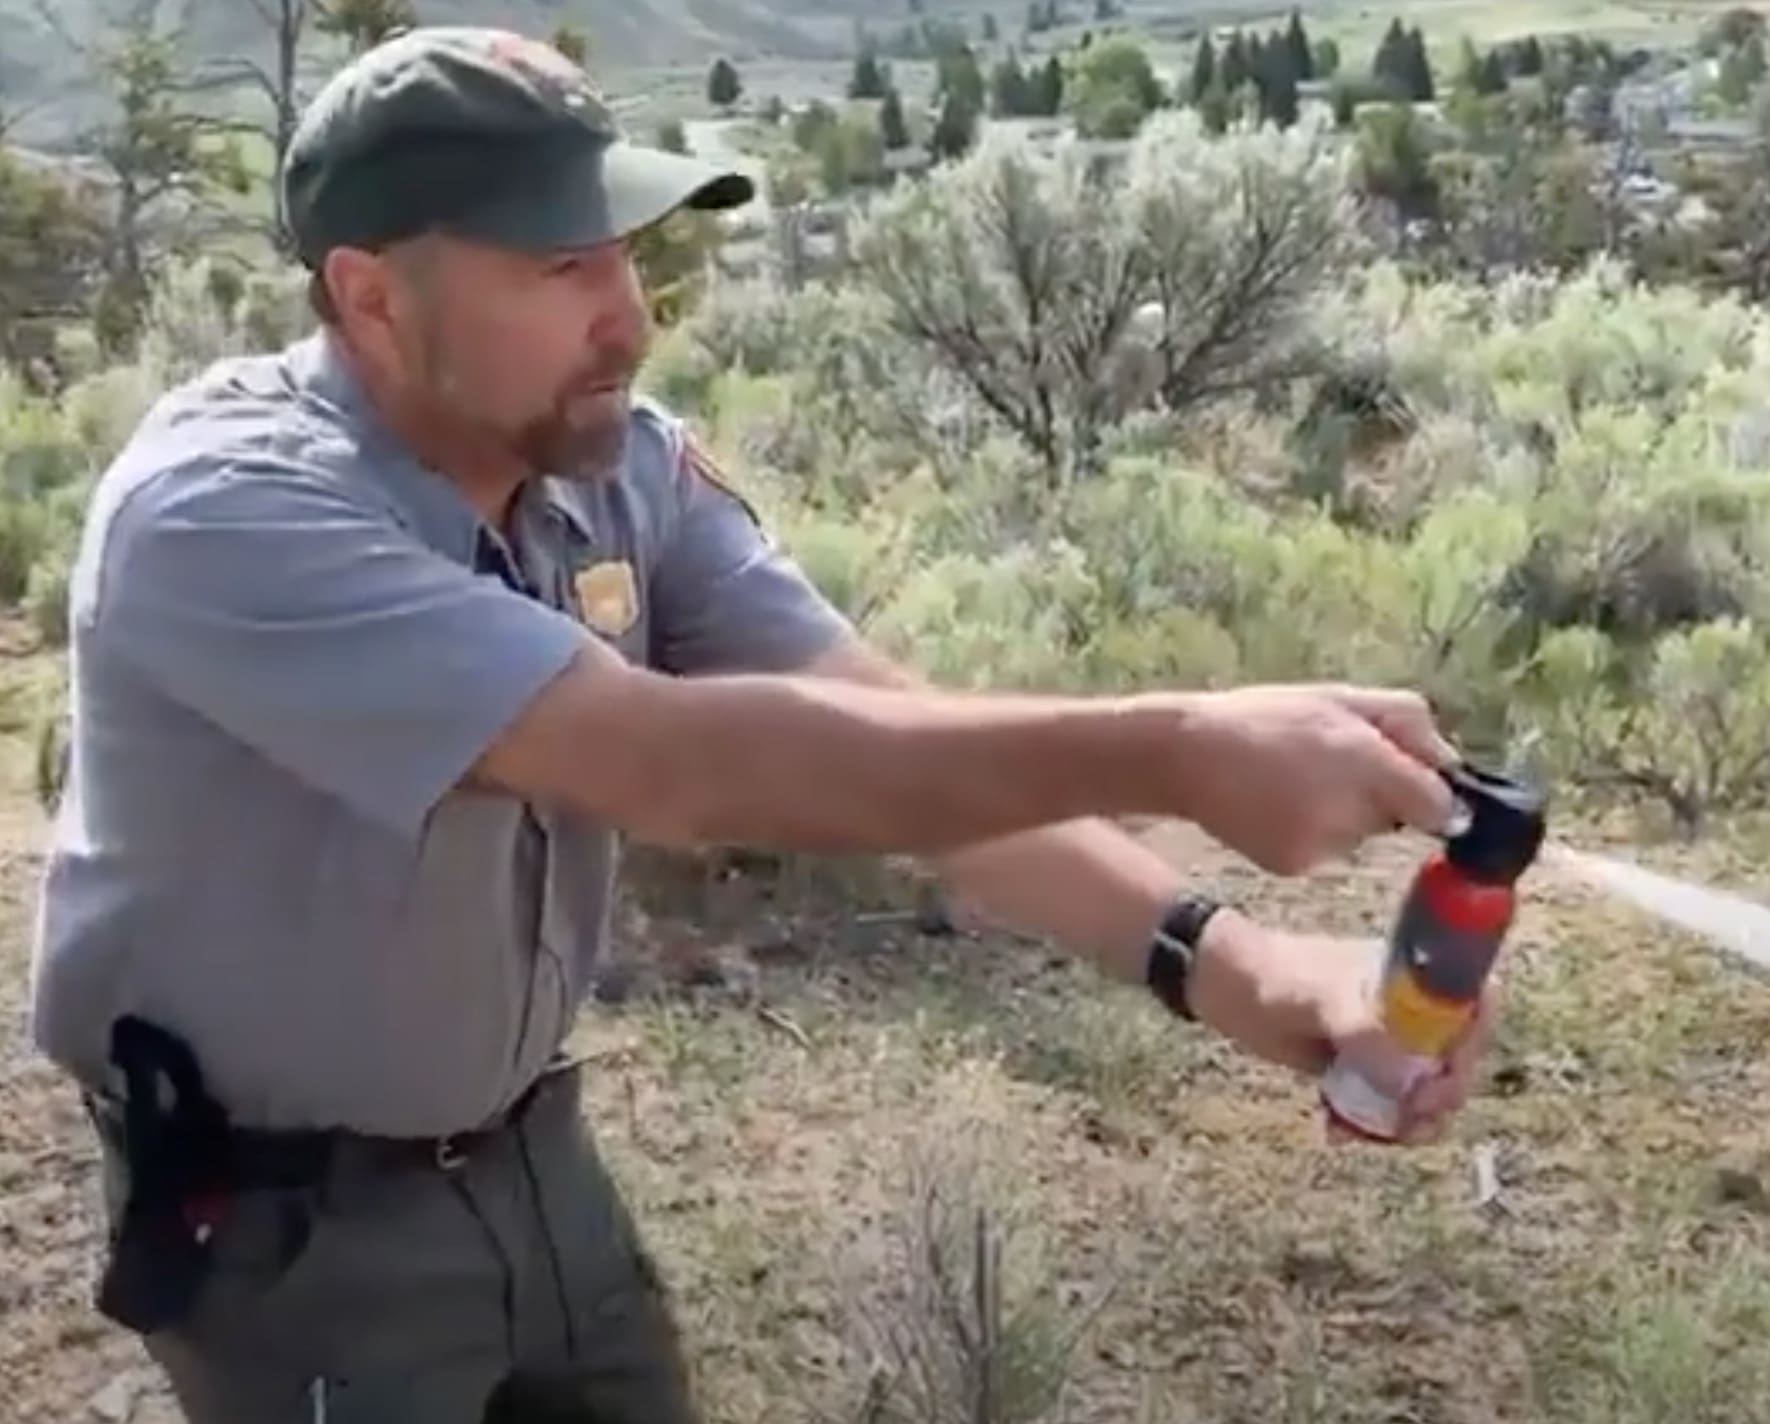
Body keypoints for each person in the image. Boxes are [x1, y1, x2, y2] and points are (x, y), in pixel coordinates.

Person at [26, 25, 1502, 1424]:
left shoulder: (618, 472)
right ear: (367, 298)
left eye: (628, 251)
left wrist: (1240, 973)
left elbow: (877, 736)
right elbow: (674, 765)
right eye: (559, 265)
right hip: (293, 1228)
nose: (630, 315)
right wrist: (1178, 746)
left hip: (536, 1153)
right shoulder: (227, 514)